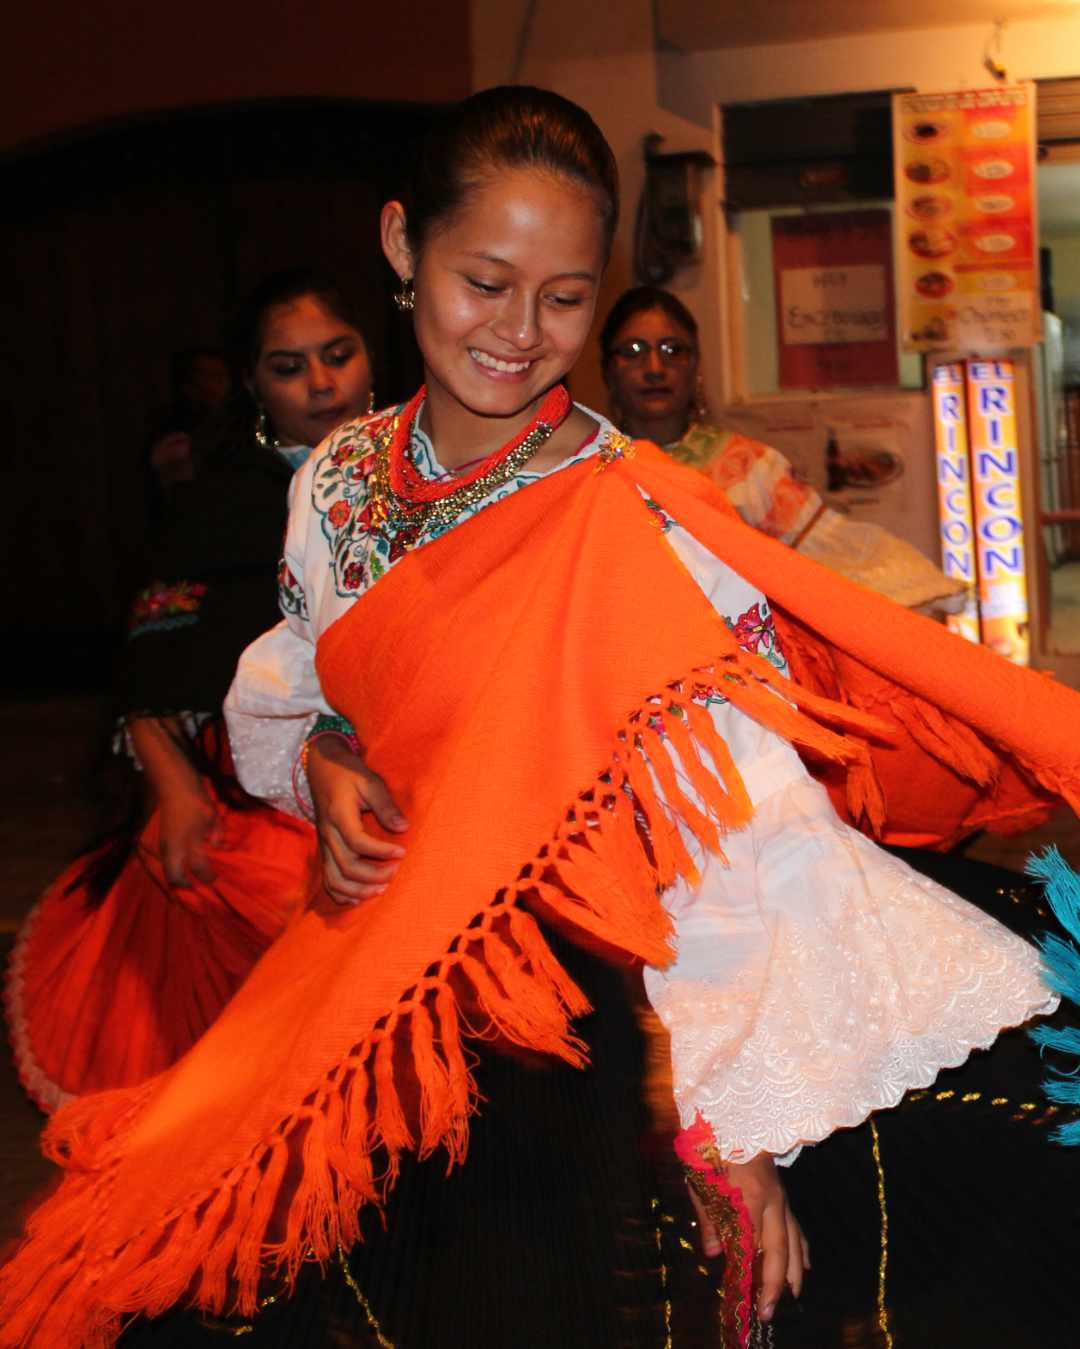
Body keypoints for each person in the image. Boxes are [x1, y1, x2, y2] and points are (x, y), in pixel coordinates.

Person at [3, 87, 1078, 1349]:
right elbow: (293, 678)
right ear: (404, 249)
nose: (519, 334)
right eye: (485, 282)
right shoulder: (340, 481)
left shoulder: (627, 515)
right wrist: (321, 760)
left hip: (558, 1018)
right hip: (371, 984)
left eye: (564, 298)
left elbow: (732, 830)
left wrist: (735, 1125)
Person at [5, 269, 374, 1113]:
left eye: (337, 355)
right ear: (251, 384)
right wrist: (172, 786)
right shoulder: (223, 498)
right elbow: (156, 656)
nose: (321, 383)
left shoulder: (425, 471)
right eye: (289, 366)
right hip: (257, 789)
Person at [601, 286, 965, 613]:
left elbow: (829, 563)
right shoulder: (586, 469)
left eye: (673, 350)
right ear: (607, 369)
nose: (654, 368)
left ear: (696, 365)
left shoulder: (751, 468)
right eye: (633, 351)